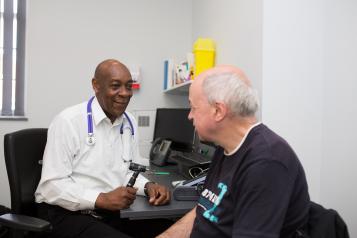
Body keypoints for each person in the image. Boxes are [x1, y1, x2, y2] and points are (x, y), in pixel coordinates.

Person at [157, 65, 310, 238]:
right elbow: (203, 211)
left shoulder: (266, 163)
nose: (189, 116)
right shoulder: (226, 147)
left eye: (193, 107)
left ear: (218, 111)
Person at [35, 59, 171, 238]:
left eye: (129, 87)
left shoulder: (129, 122)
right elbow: (51, 186)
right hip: (66, 214)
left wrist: (148, 186)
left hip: (109, 213)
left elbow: (128, 172)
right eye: (115, 86)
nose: (125, 93)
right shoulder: (68, 121)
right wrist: (101, 199)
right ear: (96, 85)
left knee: (173, 230)